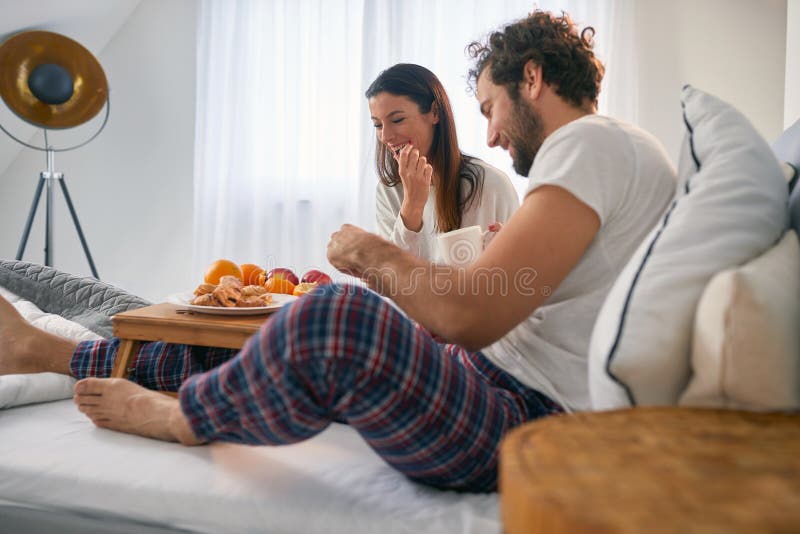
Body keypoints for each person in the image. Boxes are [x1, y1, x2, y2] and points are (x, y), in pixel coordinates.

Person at [0, 10, 676, 493]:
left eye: (492, 105)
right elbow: (510, 297)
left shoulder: (591, 143)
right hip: (492, 377)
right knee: (278, 333)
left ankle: (185, 418)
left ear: (531, 78)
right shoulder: (610, 154)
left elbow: (467, 314)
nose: (494, 133)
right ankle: (51, 351)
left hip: (522, 419)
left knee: (337, 317)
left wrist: (376, 254)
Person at [367, 63, 519, 261]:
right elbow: (394, 281)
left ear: (435, 113)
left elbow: (522, 275)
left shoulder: (490, 185)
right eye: (378, 125)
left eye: (397, 120)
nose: (386, 136)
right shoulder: (388, 191)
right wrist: (411, 206)